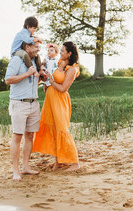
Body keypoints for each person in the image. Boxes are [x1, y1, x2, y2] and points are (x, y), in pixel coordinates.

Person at [32, 41, 81, 171]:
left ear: (70, 54)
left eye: (63, 51)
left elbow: (63, 88)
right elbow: (48, 77)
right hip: (50, 99)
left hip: (60, 100)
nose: (60, 53)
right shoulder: (58, 63)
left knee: (62, 128)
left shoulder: (72, 69)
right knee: (53, 128)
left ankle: (75, 162)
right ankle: (58, 161)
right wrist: (44, 74)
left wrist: (51, 80)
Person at [5, 40, 45, 181]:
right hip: (19, 104)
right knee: (17, 137)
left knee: (29, 136)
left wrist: (41, 76)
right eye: (36, 47)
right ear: (27, 47)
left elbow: (33, 81)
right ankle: (15, 171)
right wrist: (27, 74)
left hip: (33, 103)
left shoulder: (34, 61)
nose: (38, 50)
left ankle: (25, 167)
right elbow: (8, 80)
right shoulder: (17, 60)